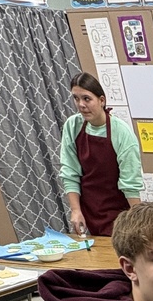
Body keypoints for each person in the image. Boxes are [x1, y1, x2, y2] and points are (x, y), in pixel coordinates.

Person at [60, 72, 143, 237]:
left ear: (102, 100)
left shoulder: (121, 132)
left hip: (119, 212)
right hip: (88, 210)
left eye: (87, 98)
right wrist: (76, 210)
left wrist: (139, 221)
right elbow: (70, 172)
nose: (81, 105)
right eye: (76, 98)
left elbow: (130, 183)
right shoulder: (73, 126)